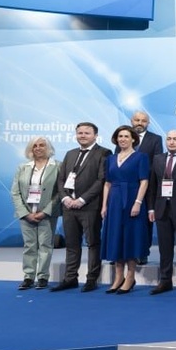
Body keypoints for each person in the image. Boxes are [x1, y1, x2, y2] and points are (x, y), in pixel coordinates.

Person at [53, 122, 109, 292]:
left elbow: (101, 180)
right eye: (80, 133)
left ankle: (91, 279)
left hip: (90, 206)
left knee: (93, 243)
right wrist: (65, 198)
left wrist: (82, 199)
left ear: (95, 135)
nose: (83, 136)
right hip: (69, 206)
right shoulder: (70, 154)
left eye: (87, 133)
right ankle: (70, 278)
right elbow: (61, 179)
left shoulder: (104, 153)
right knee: (72, 244)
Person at [100, 125, 151, 294]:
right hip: (114, 201)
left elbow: (144, 181)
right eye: (120, 136)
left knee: (130, 237)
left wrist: (138, 202)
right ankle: (118, 277)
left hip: (132, 198)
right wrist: (104, 205)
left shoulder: (141, 157)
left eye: (126, 136)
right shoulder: (111, 158)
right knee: (116, 237)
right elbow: (107, 183)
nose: (122, 139)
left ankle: (130, 276)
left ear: (133, 139)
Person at [147, 130, 176, 295]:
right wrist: (151, 208)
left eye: (175, 139)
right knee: (164, 248)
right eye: (169, 139)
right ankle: (165, 280)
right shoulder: (157, 159)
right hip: (161, 209)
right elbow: (153, 185)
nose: (172, 142)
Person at [10, 136, 61, 290]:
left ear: (48, 148)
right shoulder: (23, 167)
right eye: (35, 145)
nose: (38, 148)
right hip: (26, 214)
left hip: (47, 214)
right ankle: (28, 277)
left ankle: (43, 277)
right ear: (31, 149)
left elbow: (60, 192)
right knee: (29, 246)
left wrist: (46, 212)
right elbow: (15, 192)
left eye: (42, 145)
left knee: (45, 245)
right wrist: (24, 213)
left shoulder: (57, 166)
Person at [131, 111, 162, 265]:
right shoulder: (124, 136)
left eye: (143, 121)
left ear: (148, 123)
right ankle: (124, 253)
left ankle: (142, 253)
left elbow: (157, 162)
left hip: (147, 185)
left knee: (144, 222)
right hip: (126, 186)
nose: (140, 123)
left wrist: (141, 173)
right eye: (137, 120)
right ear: (132, 121)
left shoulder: (155, 139)